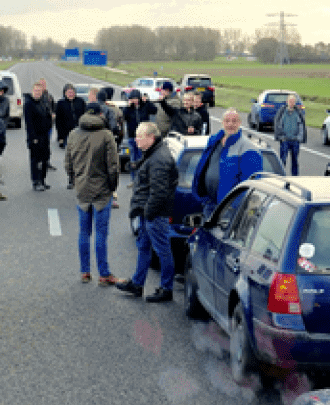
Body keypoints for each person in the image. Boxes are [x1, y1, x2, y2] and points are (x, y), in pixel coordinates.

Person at [116, 122, 178, 303]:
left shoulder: (159, 158)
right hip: (147, 212)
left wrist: (149, 213)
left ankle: (167, 289)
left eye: (139, 136)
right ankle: (137, 284)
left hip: (155, 214)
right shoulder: (153, 153)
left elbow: (159, 192)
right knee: (143, 247)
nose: (135, 140)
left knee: (163, 250)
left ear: (151, 137)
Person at [65, 102, 120, 286]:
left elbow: (68, 163)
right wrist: (112, 187)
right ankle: (104, 274)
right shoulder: (106, 135)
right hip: (102, 191)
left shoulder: (74, 134)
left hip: (82, 190)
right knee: (101, 234)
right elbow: (113, 166)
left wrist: (75, 181)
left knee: (83, 232)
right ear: (100, 114)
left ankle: (85, 272)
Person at [192, 108, 264, 217]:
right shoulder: (214, 141)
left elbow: (250, 186)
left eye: (234, 121)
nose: (230, 124)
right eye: (227, 121)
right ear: (222, 123)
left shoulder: (249, 149)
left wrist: (231, 206)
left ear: (240, 123)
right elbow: (203, 167)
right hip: (210, 204)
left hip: (229, 210)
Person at [23, 81, 55, 191]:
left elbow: (48, 116)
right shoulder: (28, 104)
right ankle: (35, 182)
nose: (37, 93)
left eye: (39, 91)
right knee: (35, 161)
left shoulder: (44, 101)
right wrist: (33, 138)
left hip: (45, 136)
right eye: (36, 91)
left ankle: (42, 180)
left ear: (42, 92)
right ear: (32, 91)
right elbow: (29, 124)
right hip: (35, 137)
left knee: (45, 159)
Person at [273, 93, 307, 176]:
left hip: (295, 141)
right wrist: (281, 137)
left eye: (293, 101)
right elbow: (278, 124)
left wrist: (299, 138)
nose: (292, 103)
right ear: (287, 102)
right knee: (282, 160)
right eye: (290, 101)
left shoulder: (298, 112)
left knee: (295, 160)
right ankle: (280, 176)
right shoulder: (282, 111)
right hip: (285, 140)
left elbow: (301, 125)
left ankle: (295, 177)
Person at [54, 83, 86, 151]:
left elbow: (85, 115)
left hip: (79, 131)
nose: (71, 94)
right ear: (65, 93)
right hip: (66, 133)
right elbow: (58, 121)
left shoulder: (81, 101)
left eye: (72, 92)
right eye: (69, 92)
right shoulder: (60, 103)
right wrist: (60, 138)